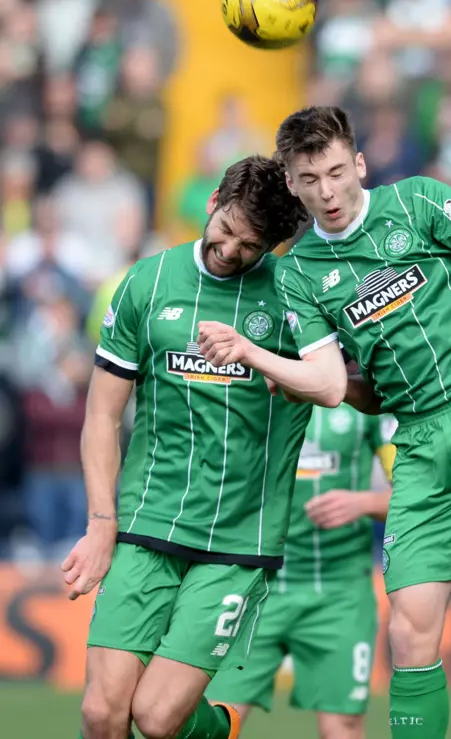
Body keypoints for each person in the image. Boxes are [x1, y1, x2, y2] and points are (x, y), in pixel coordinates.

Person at [196, 106, 451, 739]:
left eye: (334, 171)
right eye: (309, 179)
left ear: (358, 163)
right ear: (293, 184)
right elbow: (333, 385)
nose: (327, 192)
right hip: (416, 439)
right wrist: (271, 364)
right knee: (408, 631)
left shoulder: (418, 203)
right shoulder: (300, 273)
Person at [62, 155, 313, 739]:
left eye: (250, 246)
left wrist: (292, 375)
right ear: (212, 201)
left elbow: (348, 387)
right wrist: (102, 524)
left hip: (238, 540)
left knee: (154, 718)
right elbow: (101, 414)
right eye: (226, 230)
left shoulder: (295, 299)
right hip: (148, 524)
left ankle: (218, 727)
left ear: (274, 244)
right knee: (103, 714)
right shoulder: (145, 284)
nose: (229, 251)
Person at [206, 403, 395, 739]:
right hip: (254, 590)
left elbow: (420, 492)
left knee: (343, 728)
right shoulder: (249, 392)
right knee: (216, 721)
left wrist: (362, 502)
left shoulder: (366, 404)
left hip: (339, 594)